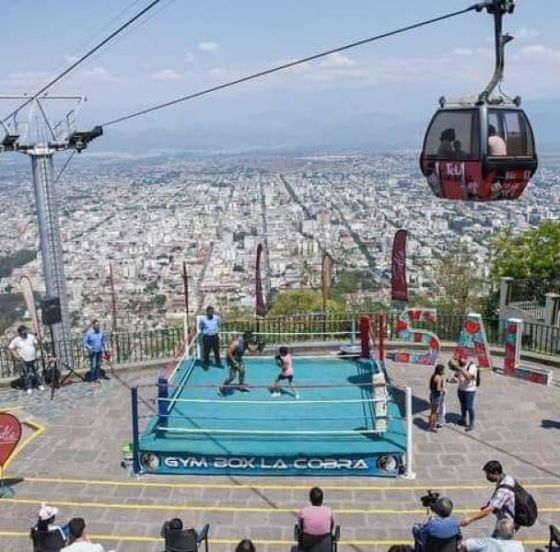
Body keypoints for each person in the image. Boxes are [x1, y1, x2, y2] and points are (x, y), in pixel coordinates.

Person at [461, 461, 516, 532]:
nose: (487, 477)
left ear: (496, 473)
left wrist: (470, 519)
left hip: (506, 524)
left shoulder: (503, 490)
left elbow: (489, 510)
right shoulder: (507, 478)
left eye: (488, 474)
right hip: (504, 518)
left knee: (497, 541)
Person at [9, 325, 44, 395]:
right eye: (23, 333)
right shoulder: (16, 339)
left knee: (36, 373)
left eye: (25, 332)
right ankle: (28, 387)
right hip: (24, 359)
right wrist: (16, 355)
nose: (24, 334)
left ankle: (39, 385)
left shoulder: (31, 337)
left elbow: (37, 342)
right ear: (19, 333)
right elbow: (11, 347)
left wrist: (39, 337)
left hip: (33, 358)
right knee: (26, 374)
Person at [217, 331, 253, 396]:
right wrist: (234, 362)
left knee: (242, 371)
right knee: (232, 377)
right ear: (246, 338)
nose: (251, 339)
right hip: (231, 359)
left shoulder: (246, 343)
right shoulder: (236, 343)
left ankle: (241, 386)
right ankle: (222, 388)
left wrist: (258, 349)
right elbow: (229, 352)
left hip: (238, 359)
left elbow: (251, 350)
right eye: (250, 338)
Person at [451, 356, 478, 432]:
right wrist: (453, 379)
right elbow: (456, 376)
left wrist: (460, 368)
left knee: (469, 407)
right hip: (461, 389)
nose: (460, 360)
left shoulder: (472, 366)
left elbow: (469, 377)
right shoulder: (459, 365)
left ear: (466, 358)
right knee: (463, 406)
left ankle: (471, 423)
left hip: (469, 390)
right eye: (459, 359)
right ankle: (463, 419)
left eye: (462, 359)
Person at [199, 305, 223, 370]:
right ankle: (206, 364)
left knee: (216, 351)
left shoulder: (216, 318)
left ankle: (218, 363)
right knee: (206, 351)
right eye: (209, 312)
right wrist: (206, 331)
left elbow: (219, 324)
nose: (211, 313)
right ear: (207, 312)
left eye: (212, 312)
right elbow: (200, 327)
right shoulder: (203, 319)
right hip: (207, 337)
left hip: (215, 336)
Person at [428, 364, 446, 432]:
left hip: (432, 394)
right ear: (440, 371)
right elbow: (438, 388)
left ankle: (431, 424)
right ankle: (432, 426)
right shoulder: (438, 377)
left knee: (432, 411)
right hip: (436, 396)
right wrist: (443, 390)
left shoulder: (433, 376)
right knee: (434, 412)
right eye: (443, 370)